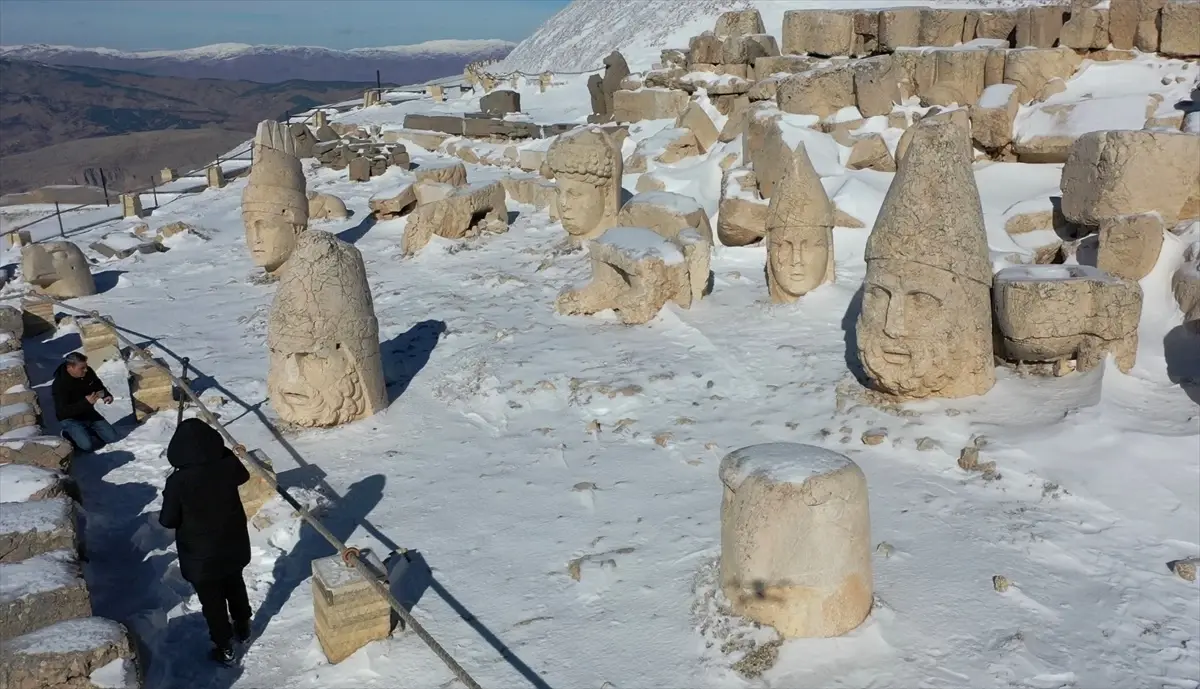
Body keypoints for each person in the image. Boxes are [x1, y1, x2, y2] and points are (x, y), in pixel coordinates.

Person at [159, 418, 254, 664]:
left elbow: (167, 520)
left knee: (212, 602)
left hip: (201, 554)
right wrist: (221, 454)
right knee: (235, 585)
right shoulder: (226, 464)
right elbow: (243, 476)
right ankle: (242, 625)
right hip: (232, 542)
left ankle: (225, 647)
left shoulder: (178, 482)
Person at [52, 352, 119, 452]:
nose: (86, 370)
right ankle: (68, 434)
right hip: (70, 418)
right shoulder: (59, 384)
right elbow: (62, 411)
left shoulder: (88, 372)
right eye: (82, 368)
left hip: (87, 412)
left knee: (112, 437)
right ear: (70, 367)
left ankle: (86, 430)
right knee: (86, 447)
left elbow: (97, 384)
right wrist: (85, 403)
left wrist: (105, 394)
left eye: (86, 366)